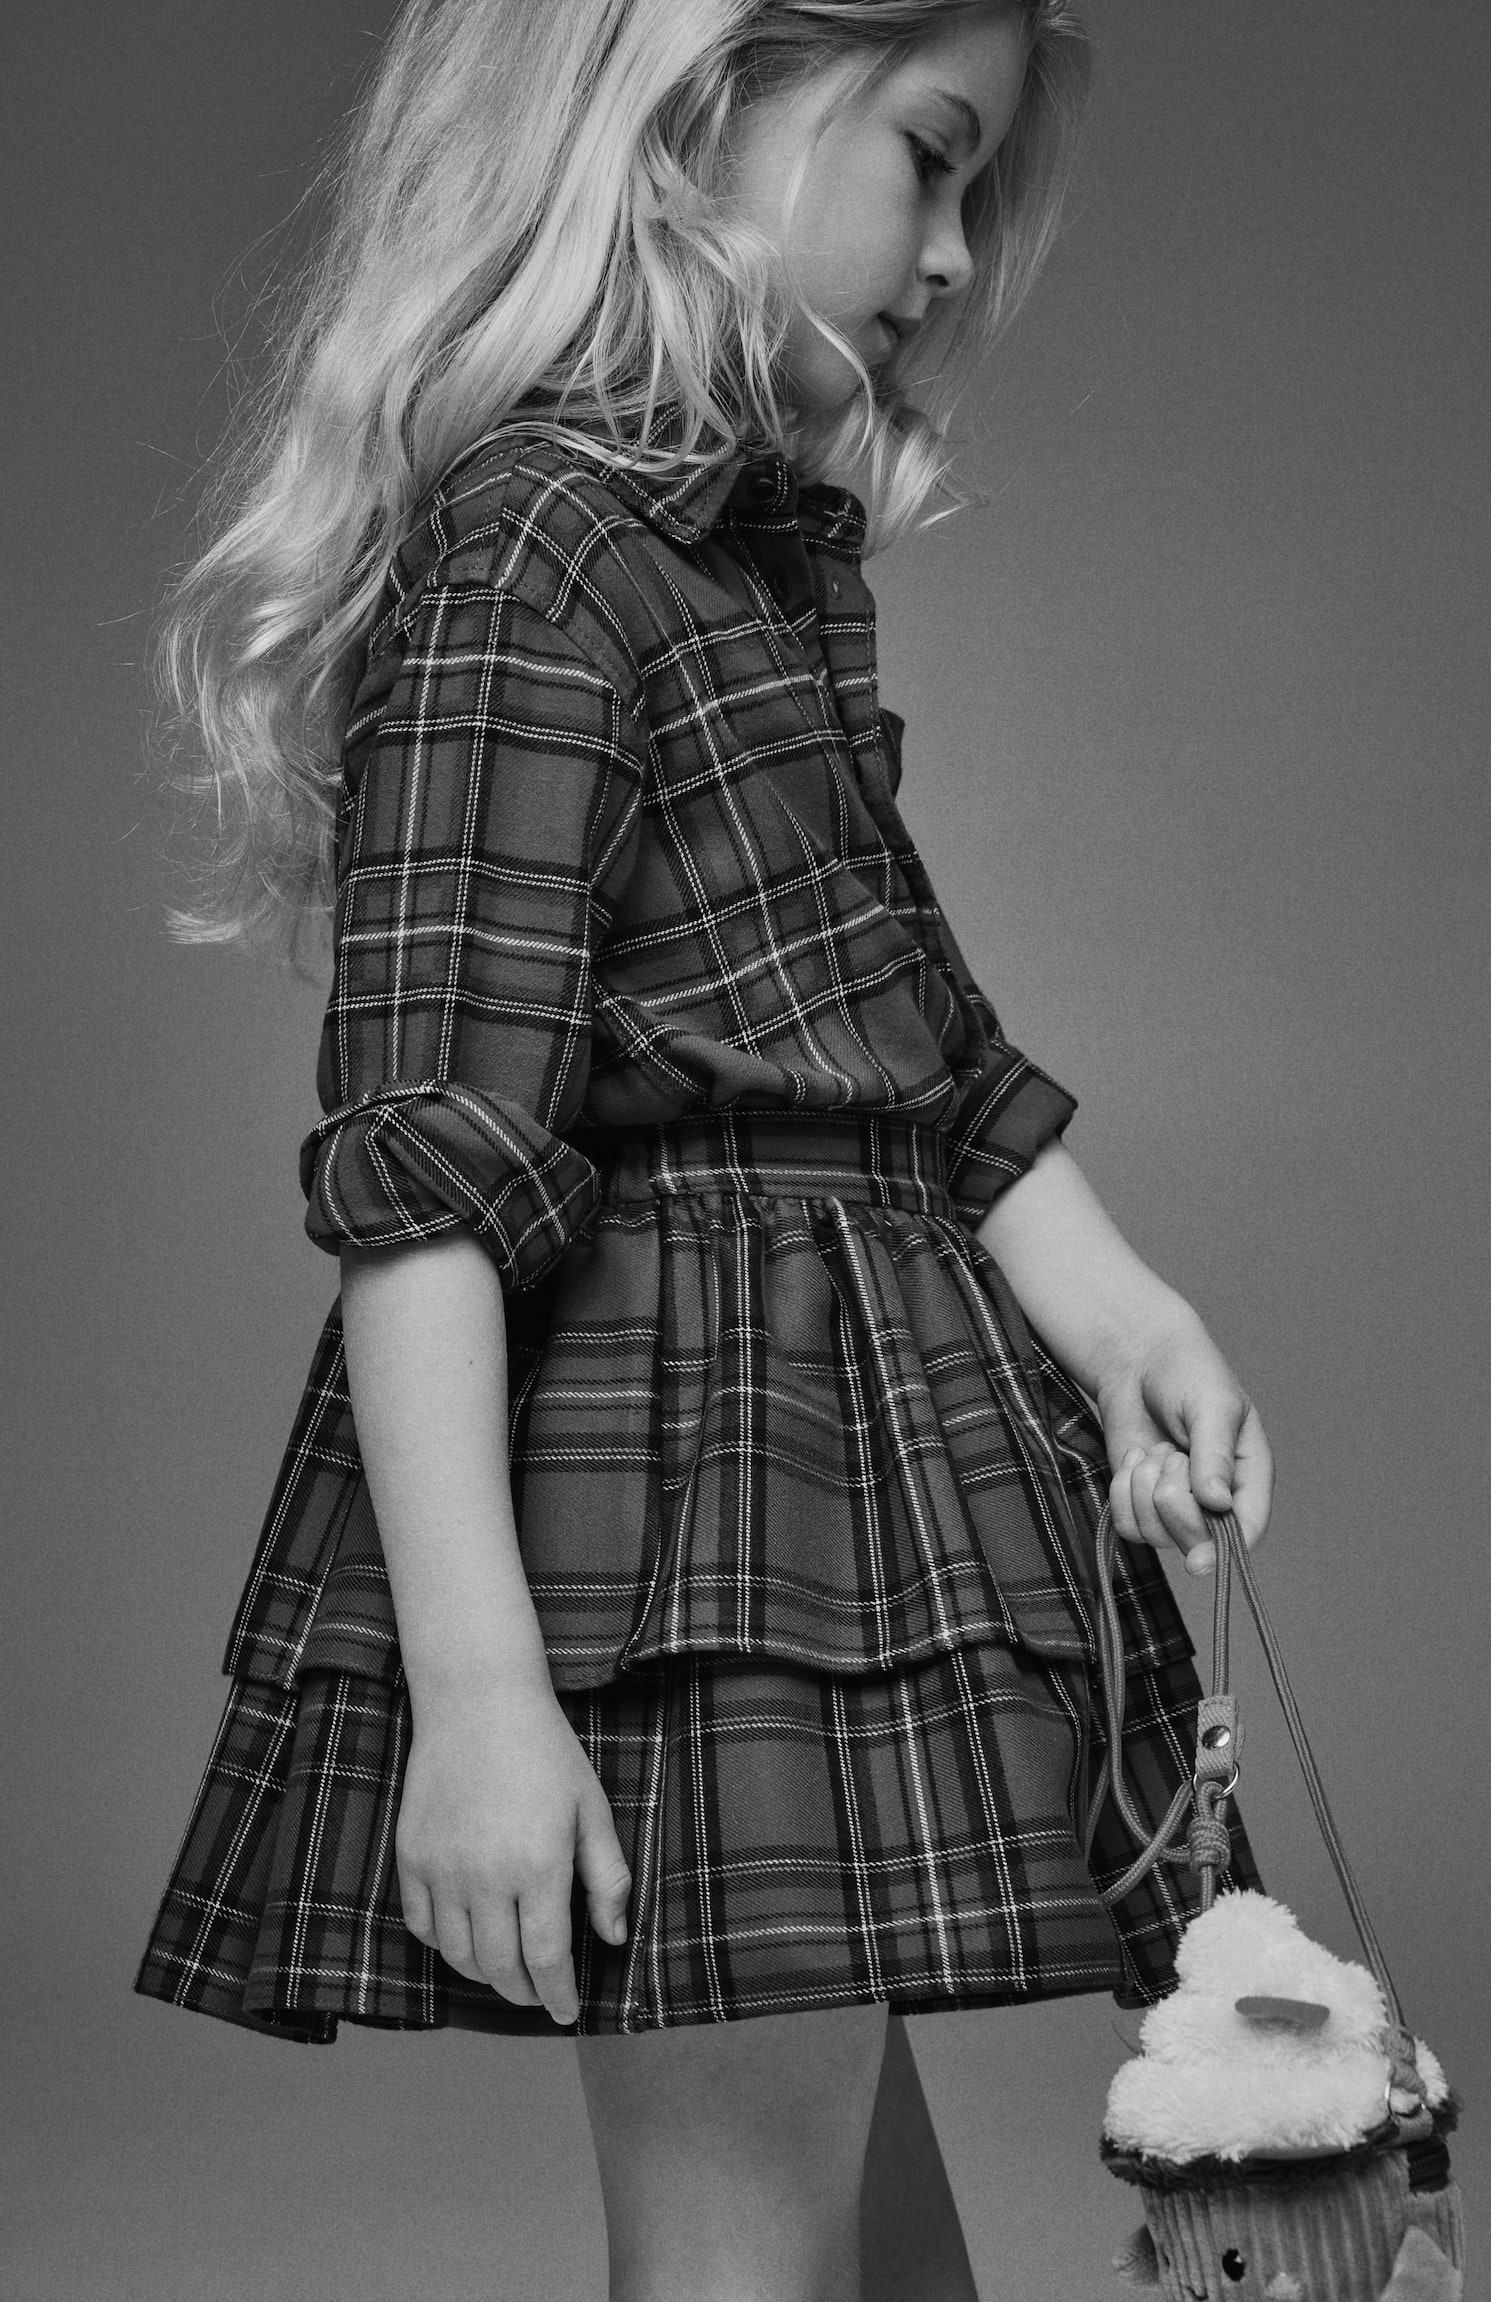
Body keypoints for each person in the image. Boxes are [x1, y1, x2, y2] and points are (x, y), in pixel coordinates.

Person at [137, 5, 1275, 2296]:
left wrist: (1125, 1313)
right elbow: (427, 1167)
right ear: (700, 95)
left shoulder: (750, 560)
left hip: (843, 1515)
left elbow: (921, 1049)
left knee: (849, 2232)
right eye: (932, 156)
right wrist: (480, 1690)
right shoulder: (533, 553)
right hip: (692, 1545)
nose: (950, 255)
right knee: (743, 2249)